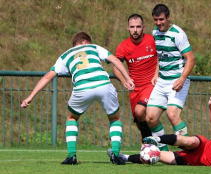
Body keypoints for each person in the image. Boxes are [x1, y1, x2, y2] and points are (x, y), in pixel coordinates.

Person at [21, 32, 135, 165]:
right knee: (114, 118)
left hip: (82, 87)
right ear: (86, 42)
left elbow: (47, 76)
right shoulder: (94, 47)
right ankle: (115, 155)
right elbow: (115, 60)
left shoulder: (65, 55)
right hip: (103, 84)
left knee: (72, 118)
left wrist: (30, 96)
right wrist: (127, 79)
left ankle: (71, 156)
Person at [108, 96, 211, 168]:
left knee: (155, 155)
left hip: (195, 160)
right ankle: (156, 139)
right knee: (191, 140)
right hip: (201, 145)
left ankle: (123, 157)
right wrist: (210, 106)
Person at [146, 4, 195, 151]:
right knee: (150, 118)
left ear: (168, 18)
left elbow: (191, 59)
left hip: (177, 80)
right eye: (156, 20)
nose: (159, 23)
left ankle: (185, 151)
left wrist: (181, 79)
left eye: (161, 19)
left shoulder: (178, 34)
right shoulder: (155, 32)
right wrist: (156, 74)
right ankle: (162, 151)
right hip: (162, 81)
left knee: (172, 114)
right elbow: (161, 56)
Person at [113, 14, 158, 141]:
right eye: (132, 27)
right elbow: (116, 68)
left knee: (140, 112)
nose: (135, 30)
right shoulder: (123, 46)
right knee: (139, 121)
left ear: (143, 27)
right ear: (127, 27)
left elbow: (162, 57)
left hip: (151, 84)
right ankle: (149, 144)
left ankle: (153, 143)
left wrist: (156, 75)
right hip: (134, 89)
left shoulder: (152, 40)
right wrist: (125, 81)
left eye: (138, 26)